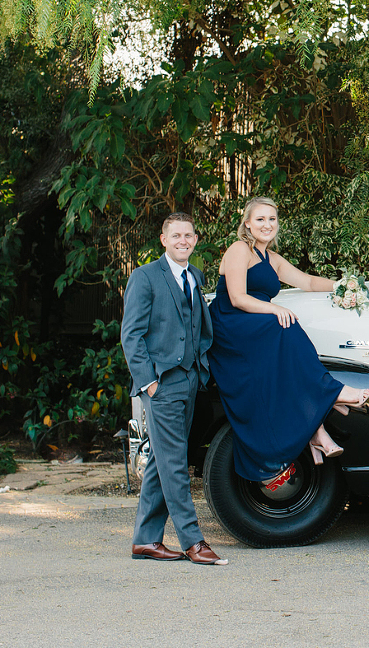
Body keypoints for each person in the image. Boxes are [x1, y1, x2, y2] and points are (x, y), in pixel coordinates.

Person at [208, 197, 369, 488]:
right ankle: (333, 393)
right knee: (286, 325)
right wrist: (275, 308)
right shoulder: (239, 250)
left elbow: (306, 282)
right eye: (260, 219)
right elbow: (236, 298)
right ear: (247, 223)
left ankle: (316, 431)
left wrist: (340, 285)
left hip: (256, 322)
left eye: (272, 219)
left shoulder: (271, 258)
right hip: (231, 322)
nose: (267, 224)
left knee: (284, 364)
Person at [121, 212, 225, 565]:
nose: (183, 240)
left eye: (189, 235)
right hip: (161, 384)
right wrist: (148, 381)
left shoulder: (194, 276)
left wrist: (202, 369)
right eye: (176, 235)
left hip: (191, 379)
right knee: (174, 462)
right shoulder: (145, 277)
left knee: (162, 461)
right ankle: (193, 540)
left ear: (195, 240)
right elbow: (131, 335)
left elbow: (199, 327)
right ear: (164, 239)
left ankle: (146, 540)